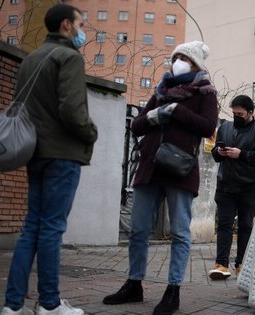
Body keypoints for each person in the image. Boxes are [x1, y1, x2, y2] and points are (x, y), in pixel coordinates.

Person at [102, 41, 218, 315]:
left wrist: (177, 111)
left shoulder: (206, 91)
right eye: (175, 57)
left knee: (179, 233)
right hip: (150, 167)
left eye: (183, 58)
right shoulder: (162, 90)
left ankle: (173, 290)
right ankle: (134, 283)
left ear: (196, 64)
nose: (177, 61)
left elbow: (208, 126)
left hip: (180, 169)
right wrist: (156, 114)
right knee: (138, 230)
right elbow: (138, 124)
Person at [0, 4, 98, 315]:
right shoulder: (68, 57)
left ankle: (12, 306)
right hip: (62, 155)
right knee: (53, 228)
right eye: (81, 24)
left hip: (35, 152)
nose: (83, 30)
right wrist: (91, 132)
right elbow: (72, 110)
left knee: (32, 227)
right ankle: (50, 304)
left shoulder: (31, 58)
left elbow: (23, 105)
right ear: (67, 25)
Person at [208, 95, 255, 280]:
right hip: (225, 185)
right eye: (234, 113)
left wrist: (242, 154)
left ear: (251, 113)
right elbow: (215, 154)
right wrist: (219, 152)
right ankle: (221, 264)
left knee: (245, 226)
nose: (236, 116)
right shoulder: (225, 127)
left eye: (240, 114)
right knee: (224, 224)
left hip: (249, 186)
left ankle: (241, 264)